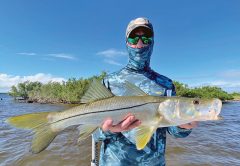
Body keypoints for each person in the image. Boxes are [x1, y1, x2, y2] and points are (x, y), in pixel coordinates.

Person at [93, 17, 197, 166]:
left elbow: (172, 130)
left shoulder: (166, 84)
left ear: (152, 43)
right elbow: (95, 135)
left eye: (146, 38)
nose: (140, 44)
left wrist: (183, 126)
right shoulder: (109, 81)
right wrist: (109, 130)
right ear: (126, 43)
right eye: (134, 38)